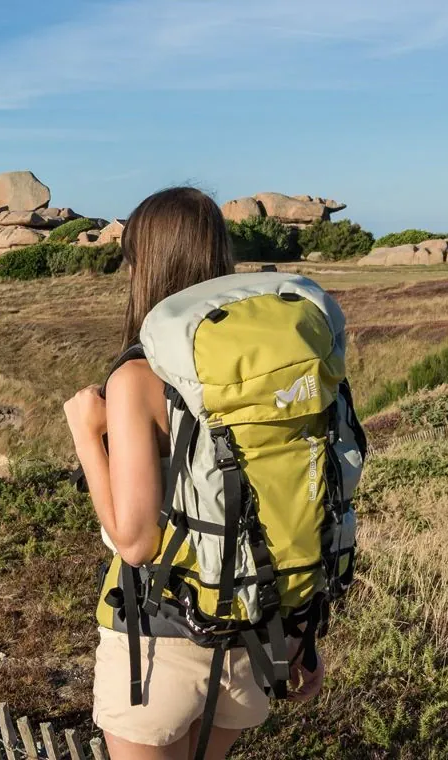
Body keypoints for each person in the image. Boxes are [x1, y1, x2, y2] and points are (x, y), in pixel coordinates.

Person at [63, 187, 325, 760]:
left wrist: (85, 433)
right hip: (255, 635)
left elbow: (136, 542)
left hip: (159, 642)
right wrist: (301, 631)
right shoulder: (268, 366)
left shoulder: (139, 376)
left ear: (143, 266)